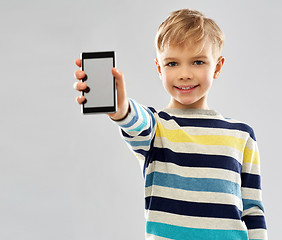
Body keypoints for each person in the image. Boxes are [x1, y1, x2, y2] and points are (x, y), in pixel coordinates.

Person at [74, 9, 267, 240]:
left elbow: (253, 210)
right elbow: (135, 121)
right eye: (172, 63)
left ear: (217, 66)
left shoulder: (242, 135)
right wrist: (121, 107)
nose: (184, 74)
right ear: (159, 68)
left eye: (198, 61)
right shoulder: (156, 128)